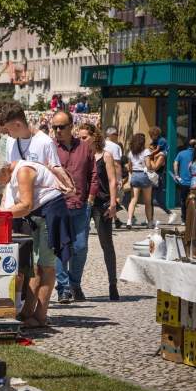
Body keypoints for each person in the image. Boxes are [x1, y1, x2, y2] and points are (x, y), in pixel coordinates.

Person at [0, 152, 72, 328]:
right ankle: (28, 312)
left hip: (51, 214)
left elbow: (26, 205)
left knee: (46, 266)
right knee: (35, 267)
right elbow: (13, 205)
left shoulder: (23, 171)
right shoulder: (11, 174)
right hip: (39, 216)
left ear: (2, 170)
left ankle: (40, 316)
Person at [52, 112, 97, 302]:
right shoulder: (51, 147)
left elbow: (93, 173)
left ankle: (75, 283)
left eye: (61, 127)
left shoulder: (85, 147)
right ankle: (63, 288)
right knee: (62, 247)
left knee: (80, 247)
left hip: (80, 205)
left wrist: (91, 198)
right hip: (57, 205)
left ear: (72, 126)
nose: (58, 131)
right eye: (54, 127)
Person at [80, 125, 120, 300]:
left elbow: (112, 181)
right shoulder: (82, 156)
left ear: (93, 136)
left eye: (83, 137)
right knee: (79, 245)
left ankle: (113, 284)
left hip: (101, 203)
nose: (80, 140)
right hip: (83, 203)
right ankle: (74, 286)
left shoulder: (106, 155)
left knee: (106, 244)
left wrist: (113, 204)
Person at [0, 102, 60, 166]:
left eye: (7, 128)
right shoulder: (10, 141)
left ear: (18, 125)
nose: (6, 132)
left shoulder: (46, 142)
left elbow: (56, 172)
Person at [126, 133, 153, 228]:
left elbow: (129, 166)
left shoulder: (130, 152)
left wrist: (132, 172)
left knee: (133, 199)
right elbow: (148, 165)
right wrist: (151, 169)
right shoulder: (146, 151)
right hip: (144, 175)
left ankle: (129, 221)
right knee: (147, 201)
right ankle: (149, 222)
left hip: (135, 175)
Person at [173, 139, 196, 222]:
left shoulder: (181, 153)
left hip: (183, 182)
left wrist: (176, 175)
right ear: (195, 146)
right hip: (195, 182)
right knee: (195, 201)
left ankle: (184, 219)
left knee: (183, 200)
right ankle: (192, 219)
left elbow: (175, 163)